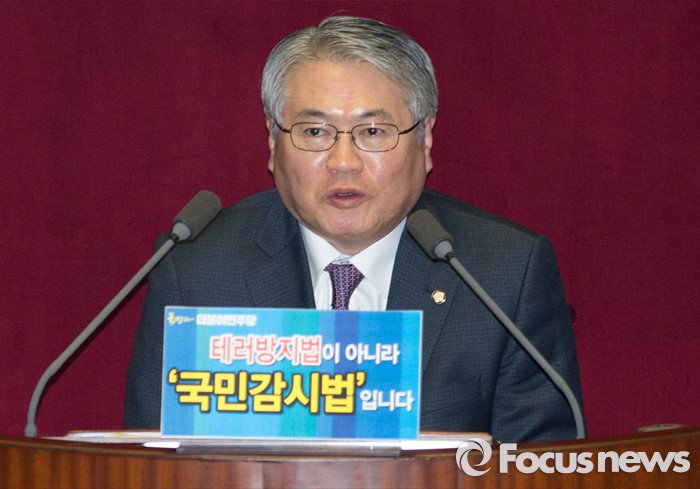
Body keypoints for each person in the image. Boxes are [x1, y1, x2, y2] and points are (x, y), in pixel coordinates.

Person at [124, 15, 584, 442]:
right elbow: (151, 468)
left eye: (374, 132)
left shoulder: (503, 274)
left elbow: (539, 470)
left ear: (425, 138)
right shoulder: (195, 271)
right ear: (273, 141)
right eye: (315, 132)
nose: (343, 163)